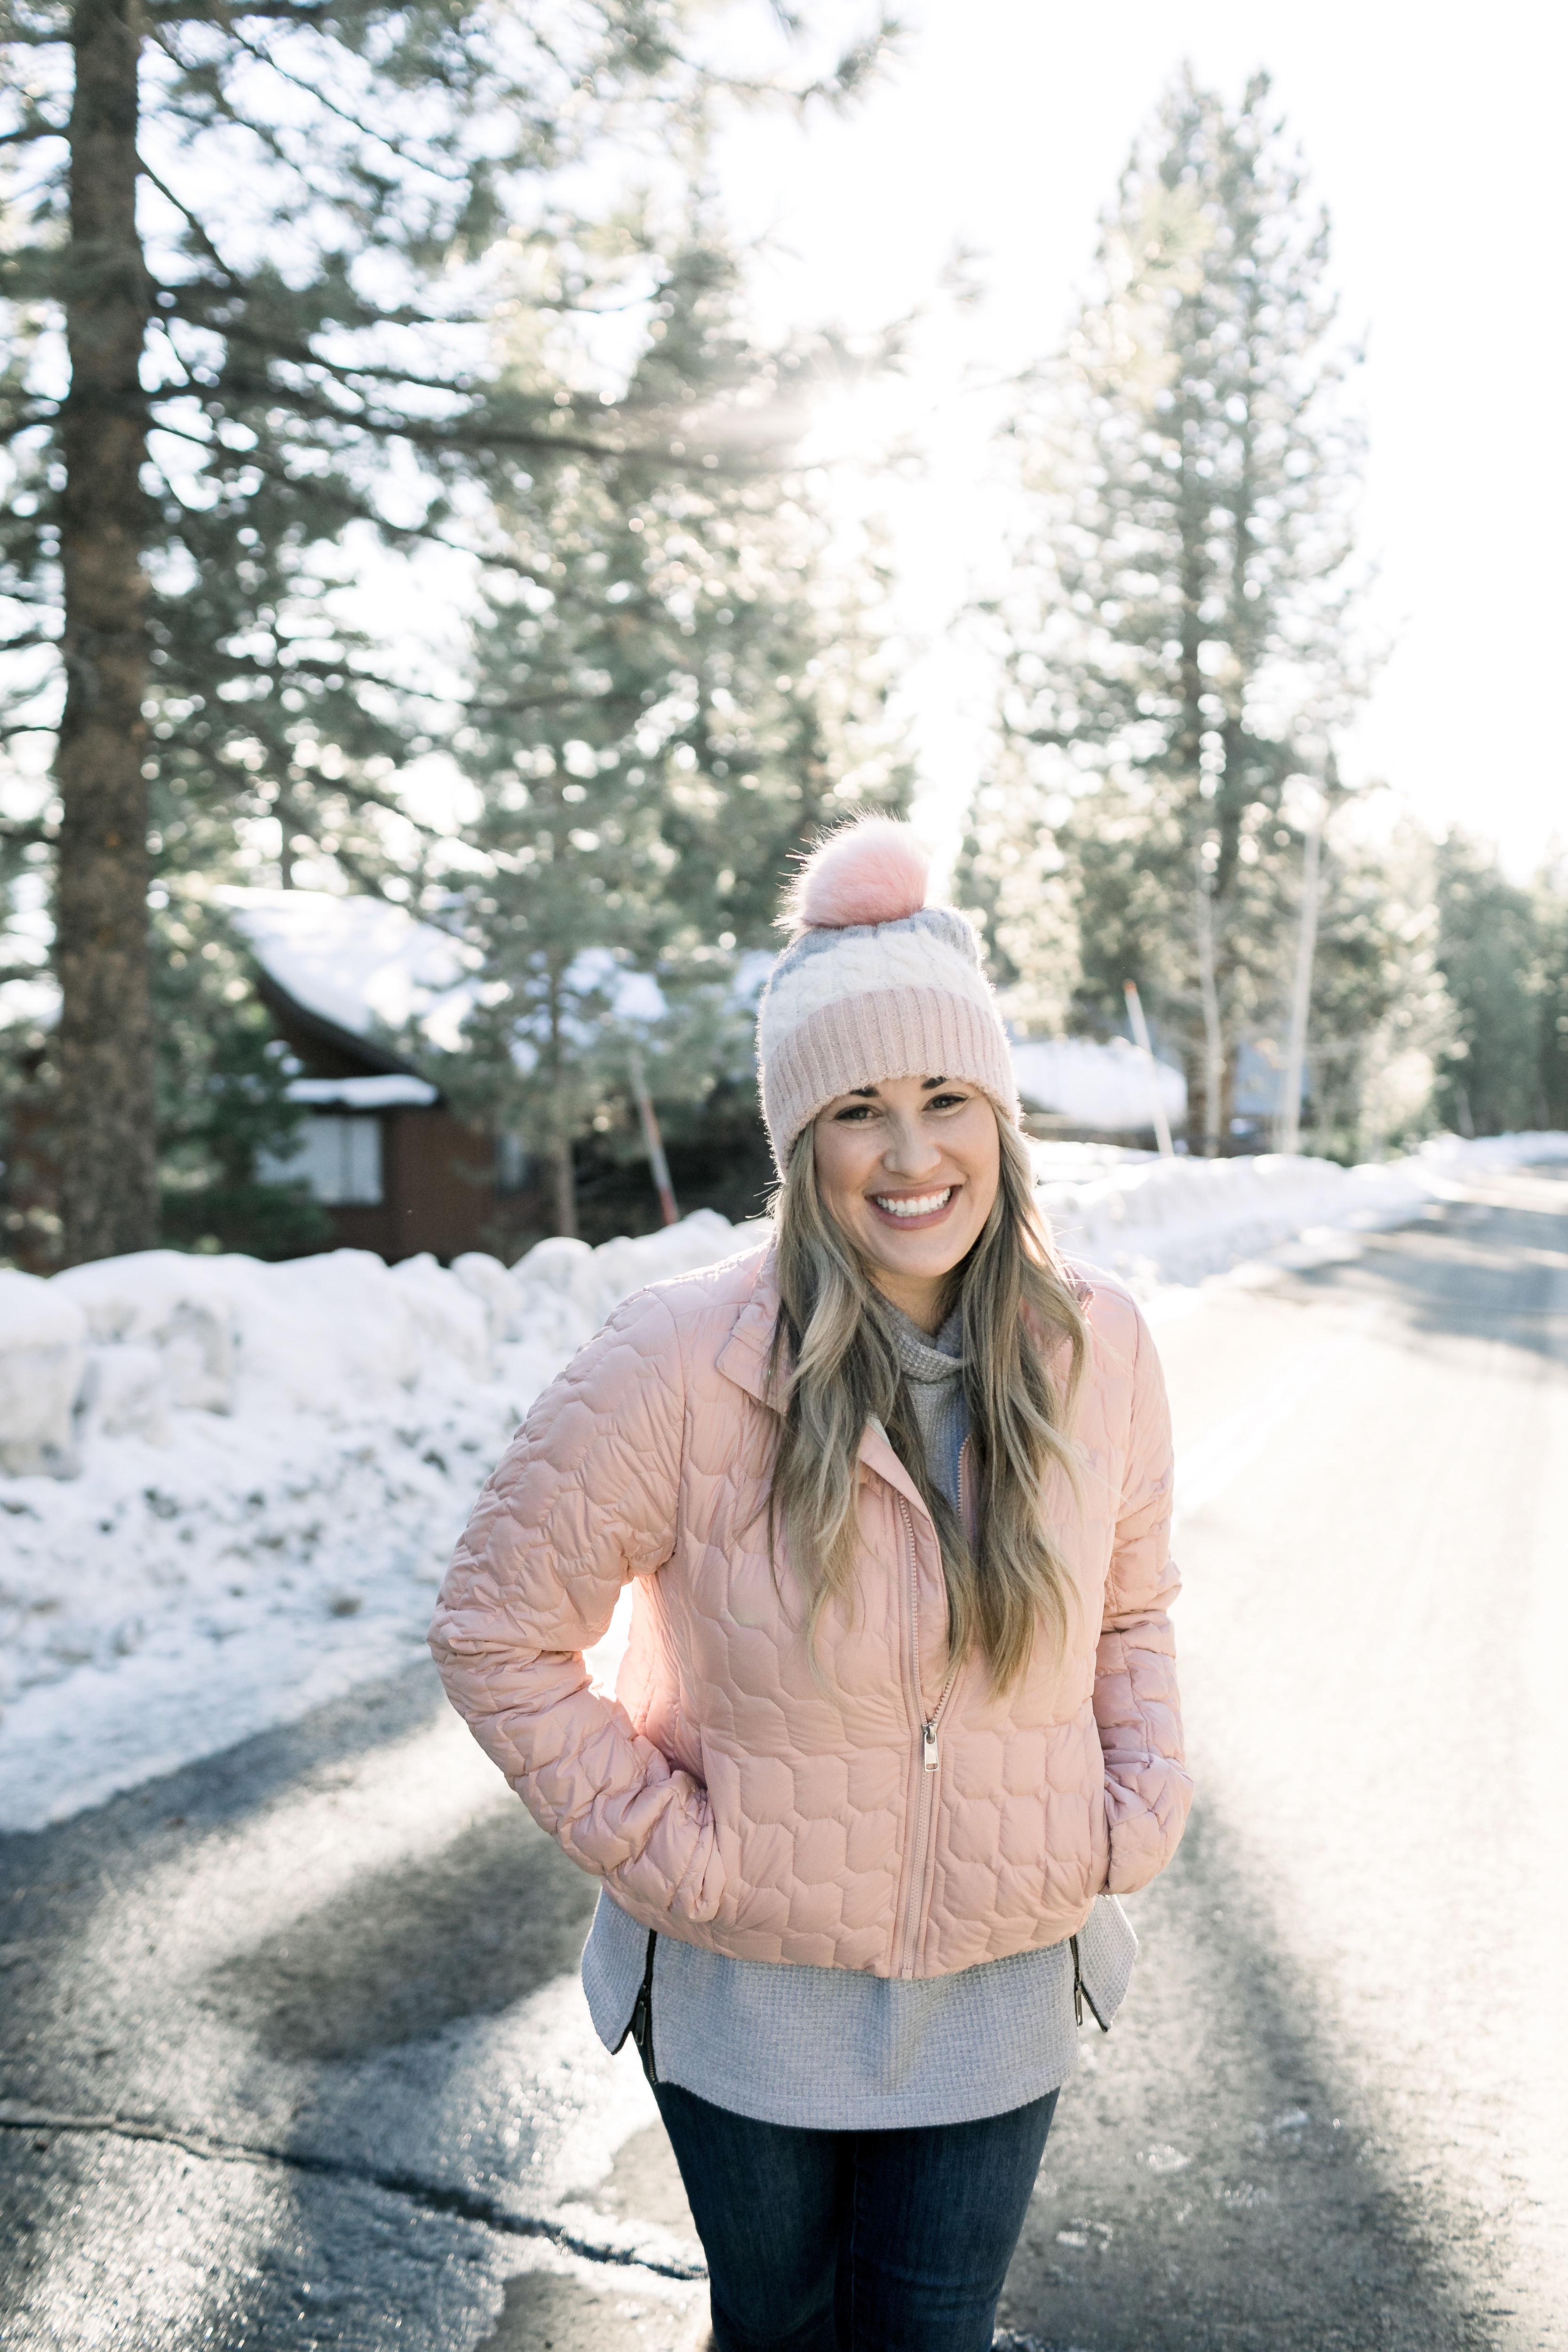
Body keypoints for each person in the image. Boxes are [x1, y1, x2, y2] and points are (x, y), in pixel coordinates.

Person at [429, 815, 1190, 2352]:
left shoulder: (1094, 1344)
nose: (913, 1157)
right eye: (858, 1110)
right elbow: (496, 1631)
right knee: (776, 2328)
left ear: (1000, 1115)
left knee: (934, 2335)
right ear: (800, 1143)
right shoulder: (678, 1361)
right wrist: (676, 1857)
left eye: (945, 1100)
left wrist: (1134, 1801)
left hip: (999, 1984)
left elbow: (1132, 1607)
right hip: (750, 2003)